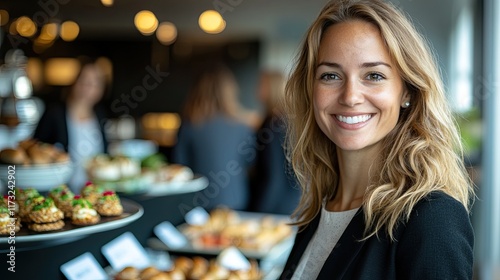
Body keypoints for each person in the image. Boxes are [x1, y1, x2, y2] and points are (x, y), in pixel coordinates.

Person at [279, 0, 475, 279]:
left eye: (373, 75)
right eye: (331, 75)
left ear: (407, 91)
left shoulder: (431, 219)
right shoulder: (319, 208)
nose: (350, 96)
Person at [172, 63, 255, 211]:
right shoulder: (242, 125)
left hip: (198, 202)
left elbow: (180, 166)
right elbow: (249, 162)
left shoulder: (189, 124)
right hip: (236, 199)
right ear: (230, 91)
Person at [33, 60, 108, 192]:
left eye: (94, 83)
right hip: (59, 190)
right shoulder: (55, 113)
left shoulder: (100, 115)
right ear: (74, 82)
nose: (88, 87)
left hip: (95, 191)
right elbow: (36, 146)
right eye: (84, 81)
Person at [248, 70, 301, 214]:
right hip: (291, 203)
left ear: (271, 88)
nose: (257, 89)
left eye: (261, 85)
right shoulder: (288, 121)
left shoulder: (272, 125)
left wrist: (258, 211)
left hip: (273, 207)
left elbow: (274, 173)